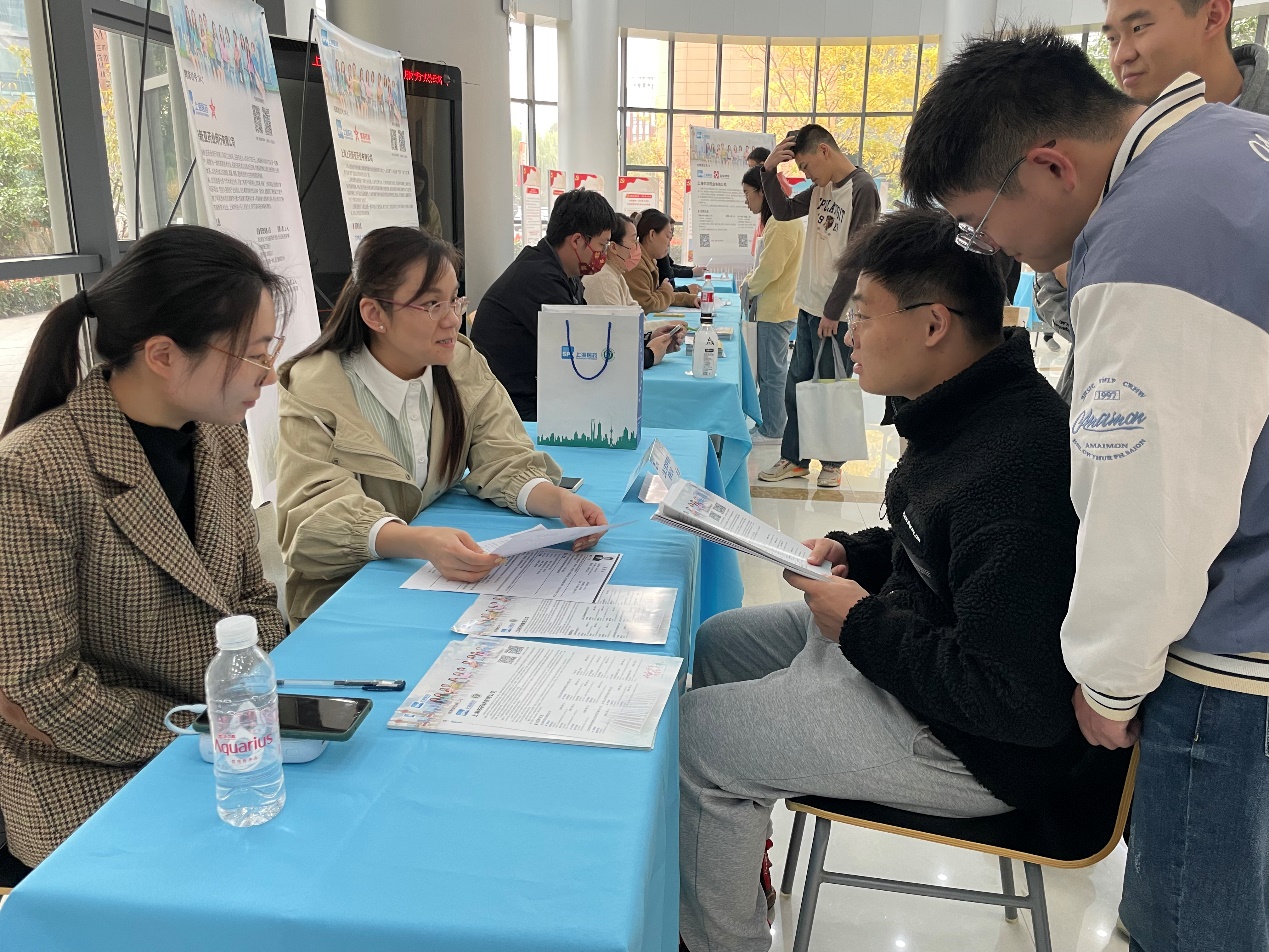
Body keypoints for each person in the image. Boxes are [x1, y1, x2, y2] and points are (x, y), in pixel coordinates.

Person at [902, 26, 1269, 952]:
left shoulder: (1148, 238)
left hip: (1238, 653)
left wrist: (1107, 681)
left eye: (980, 222)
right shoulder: (1226, 143)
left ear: (1050, 166)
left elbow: (1153, 496)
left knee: (1192, 928)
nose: (990, 247)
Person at [678, 208, 1086, 952]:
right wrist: (854, 552)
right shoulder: (960, 409)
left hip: (970, 745)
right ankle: (728, 857)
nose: (848, 333)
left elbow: (1014, 701)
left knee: (696, 741)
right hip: (914, 650)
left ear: (932, 324)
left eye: (863, 313)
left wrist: (861, 624)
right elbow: (933, 542)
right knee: (720, 641)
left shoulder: (1016, 466)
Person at [0, 225, 290, 869]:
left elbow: (252, 596)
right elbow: (39, 692)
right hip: (87, 772)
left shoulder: (218, 436)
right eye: (253, 354)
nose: (269, 375)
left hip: (225, 738)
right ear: (162, 354)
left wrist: (246, 711)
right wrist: (208, 730)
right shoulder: (34, 471)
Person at [276, 227, 607, 623]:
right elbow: (311, 520)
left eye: (454, 300)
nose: (453, 320)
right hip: (345, 597)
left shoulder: (460, 364)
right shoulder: (317, 388)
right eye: (432, 304)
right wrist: (416, 541)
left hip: (431, 577)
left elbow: (503, 457)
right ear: (375, 314)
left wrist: (559, 502)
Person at [1034, 0, 1269, 404]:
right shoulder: (1110, 140)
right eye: (1112, 38)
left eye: (1139, 28)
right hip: (1104, 412)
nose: (1121, 55)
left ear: (1214, 15)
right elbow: (1052, 280)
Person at [757, 123, 880, 488]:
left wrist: (832, 311)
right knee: (797, 384)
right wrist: (768, 171)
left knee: (830, 387)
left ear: (824, 151)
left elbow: (857, 257)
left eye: (807, 166)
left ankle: (832, 462)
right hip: (809, 305)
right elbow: (782, 211)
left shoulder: (862, 189)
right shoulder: (820, 188)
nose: (806, 174)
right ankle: (795, 459)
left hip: (836, 312)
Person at [470, 188, 615, 420]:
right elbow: (582, 346)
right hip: (511, 408)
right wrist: (646, 354)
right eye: (602, 245)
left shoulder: (563, 273)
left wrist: (645, 341)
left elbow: (588, 327)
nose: (604, 254)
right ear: (577, 240)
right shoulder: (539, 278)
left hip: (535, 395)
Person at [738, 165, 804, 443]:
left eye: (747, 193)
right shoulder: (781, 220)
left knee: (771, 374)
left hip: (774, 310)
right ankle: (771, 423)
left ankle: (773, 428)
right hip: (779, 306)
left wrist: (748, 287)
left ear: (762, 192)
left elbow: (770, 269)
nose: (745, 200)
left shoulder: (781, 222)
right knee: (771, 371)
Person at [581, 213, 688, 368]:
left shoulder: (616, 273)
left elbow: (635, 318)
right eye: (633, 241)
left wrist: (654, 336)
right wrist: (657, 336)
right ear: (613, 247)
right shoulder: (603, 278)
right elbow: (617, 333)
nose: (637, 248)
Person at [624, 209, 702, 313]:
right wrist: (665, 291)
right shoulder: (636, 263)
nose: (669, 244)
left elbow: (656, 296)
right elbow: (647, 305)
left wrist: (688, 299)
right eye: (667, 236)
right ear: (652, 234)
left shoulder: (649, 260)